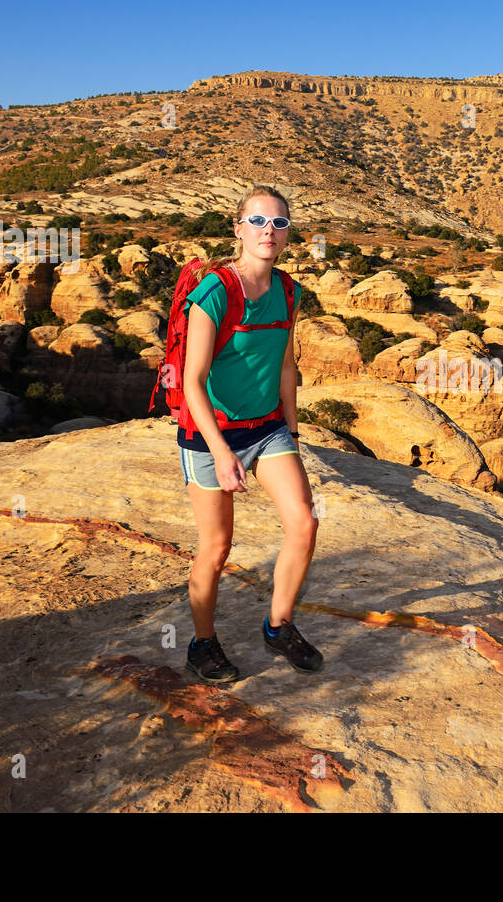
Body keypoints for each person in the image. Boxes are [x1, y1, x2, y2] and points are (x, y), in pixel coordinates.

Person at [179, 184, 322, 682]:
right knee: (217, 549)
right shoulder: (216, 291)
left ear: (288, 235)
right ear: (238, 228)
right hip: (210, 432)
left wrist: (293, 430)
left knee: (303, 523)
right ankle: (202, 643)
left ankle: (278, 625)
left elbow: (286, 364)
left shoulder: (288, 291)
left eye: (279, 223)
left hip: (267, 427)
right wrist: (220, 452)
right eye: (258, 221)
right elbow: (193, 381)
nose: (269, 231)